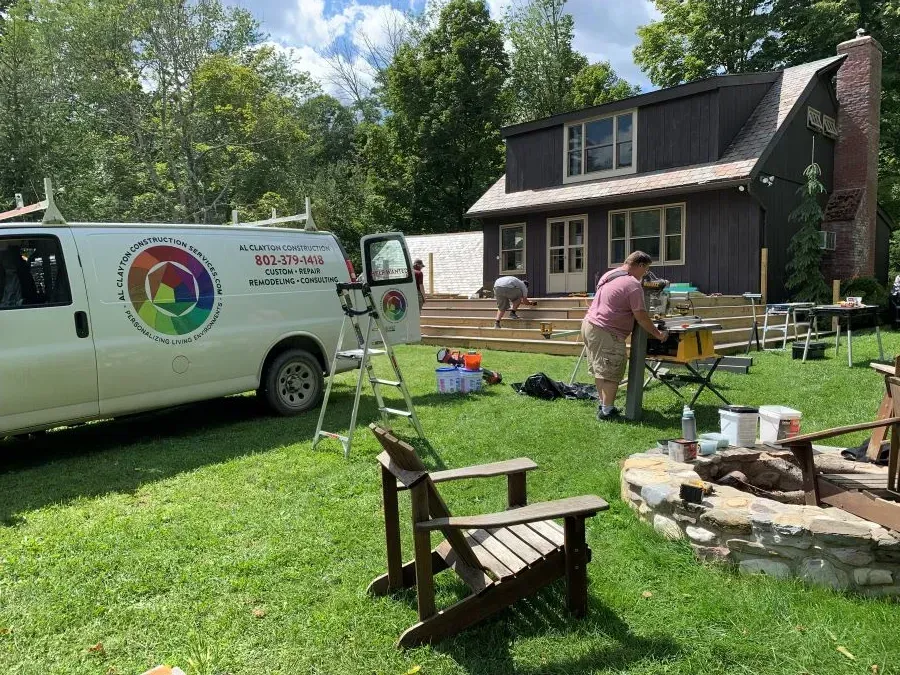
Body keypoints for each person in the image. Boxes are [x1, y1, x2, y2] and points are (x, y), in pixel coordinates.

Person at [582, 251, 668, 421]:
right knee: (612, 371)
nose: (645, 274)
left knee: (601, 370)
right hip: (607, 331)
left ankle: (604, 406)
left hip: (590, 325)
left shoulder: (610, 275)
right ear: (641, 265)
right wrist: (658, 334)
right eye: (646, 270)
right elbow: (641, 316)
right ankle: (607, 412)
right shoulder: (632, 284)